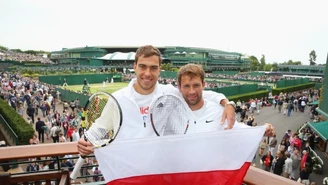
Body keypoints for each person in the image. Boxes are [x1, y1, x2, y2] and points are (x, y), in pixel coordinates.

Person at [77, 45, 236, 156]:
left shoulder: (169, 93)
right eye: (143, 66)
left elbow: (196, 93)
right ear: (135, 66)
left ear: (160, 69)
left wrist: (227, 103)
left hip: (158, 173)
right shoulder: (117, 99)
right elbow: (98, 130)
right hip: (129, 173)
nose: (148, 73)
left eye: (153, 68)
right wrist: (85, 143)